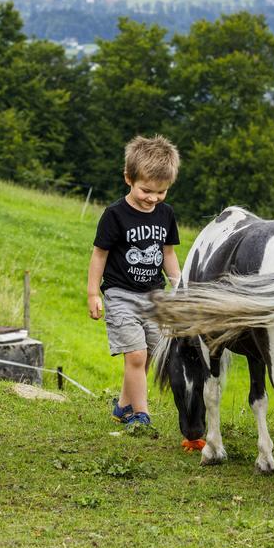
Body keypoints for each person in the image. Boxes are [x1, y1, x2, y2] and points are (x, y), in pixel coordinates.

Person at [87, 135, 182, 433]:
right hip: (120, 295)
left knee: (152, 352)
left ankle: (123, 405)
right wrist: (93, 292)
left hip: (154, 296)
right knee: (136, 355)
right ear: (129, 178)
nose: (153, 198)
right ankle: (141, 414)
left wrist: (179, 284)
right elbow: (99, 254)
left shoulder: (166, 215)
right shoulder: (114, 215)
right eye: (146, 190)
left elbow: (168, 253)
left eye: (161, 192)